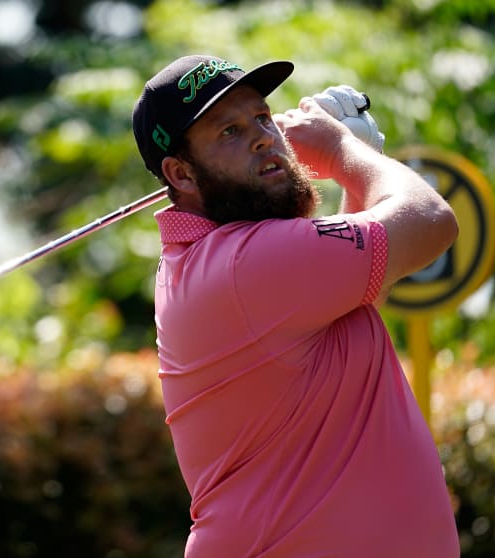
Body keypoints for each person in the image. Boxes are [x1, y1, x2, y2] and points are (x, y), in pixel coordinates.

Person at [132, 54, 460, 557]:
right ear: (182, 174)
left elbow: (357, 295)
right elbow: (430, 219)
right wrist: (341, 149)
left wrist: (355, 170)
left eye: (263, 117)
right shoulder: (245, 263)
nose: (264, 136)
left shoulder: (226, 261)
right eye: (229, 132)